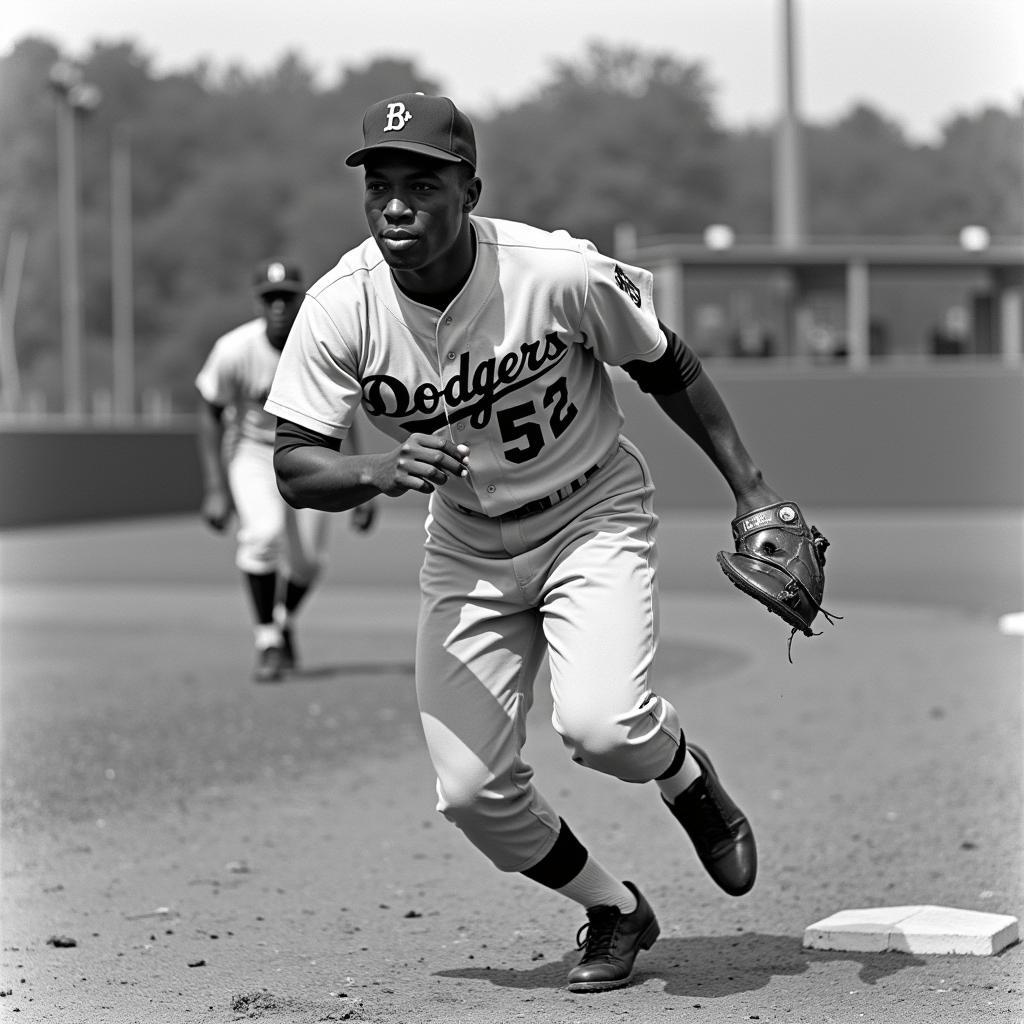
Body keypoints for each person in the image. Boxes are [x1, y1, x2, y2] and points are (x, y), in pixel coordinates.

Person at [266, 93, 784, 991]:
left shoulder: (555, 272)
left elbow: (668, 365)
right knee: (472, 796)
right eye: (380, 184)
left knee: (604, 726)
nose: (396, 204)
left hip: (590, 513)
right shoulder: (340, 306)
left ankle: (685, 777)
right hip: (465, 544)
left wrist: (754, 492)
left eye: (421, 183)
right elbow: (294, 462)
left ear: (469, 188)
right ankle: (614, 910)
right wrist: (377, 471)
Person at [196, 258, 376, 683]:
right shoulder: (234, 349)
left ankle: (280, 620)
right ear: (259, 302)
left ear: (300, 298)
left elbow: (345, 412)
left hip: (313, 450)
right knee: (262, 535)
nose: (279, 305)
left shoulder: (321, 342)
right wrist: (214, 487)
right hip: (253, 453)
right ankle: (267, 641)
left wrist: (358, 480)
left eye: (287, 296)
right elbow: (210, 410)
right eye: (270, 297)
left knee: (309, 564)